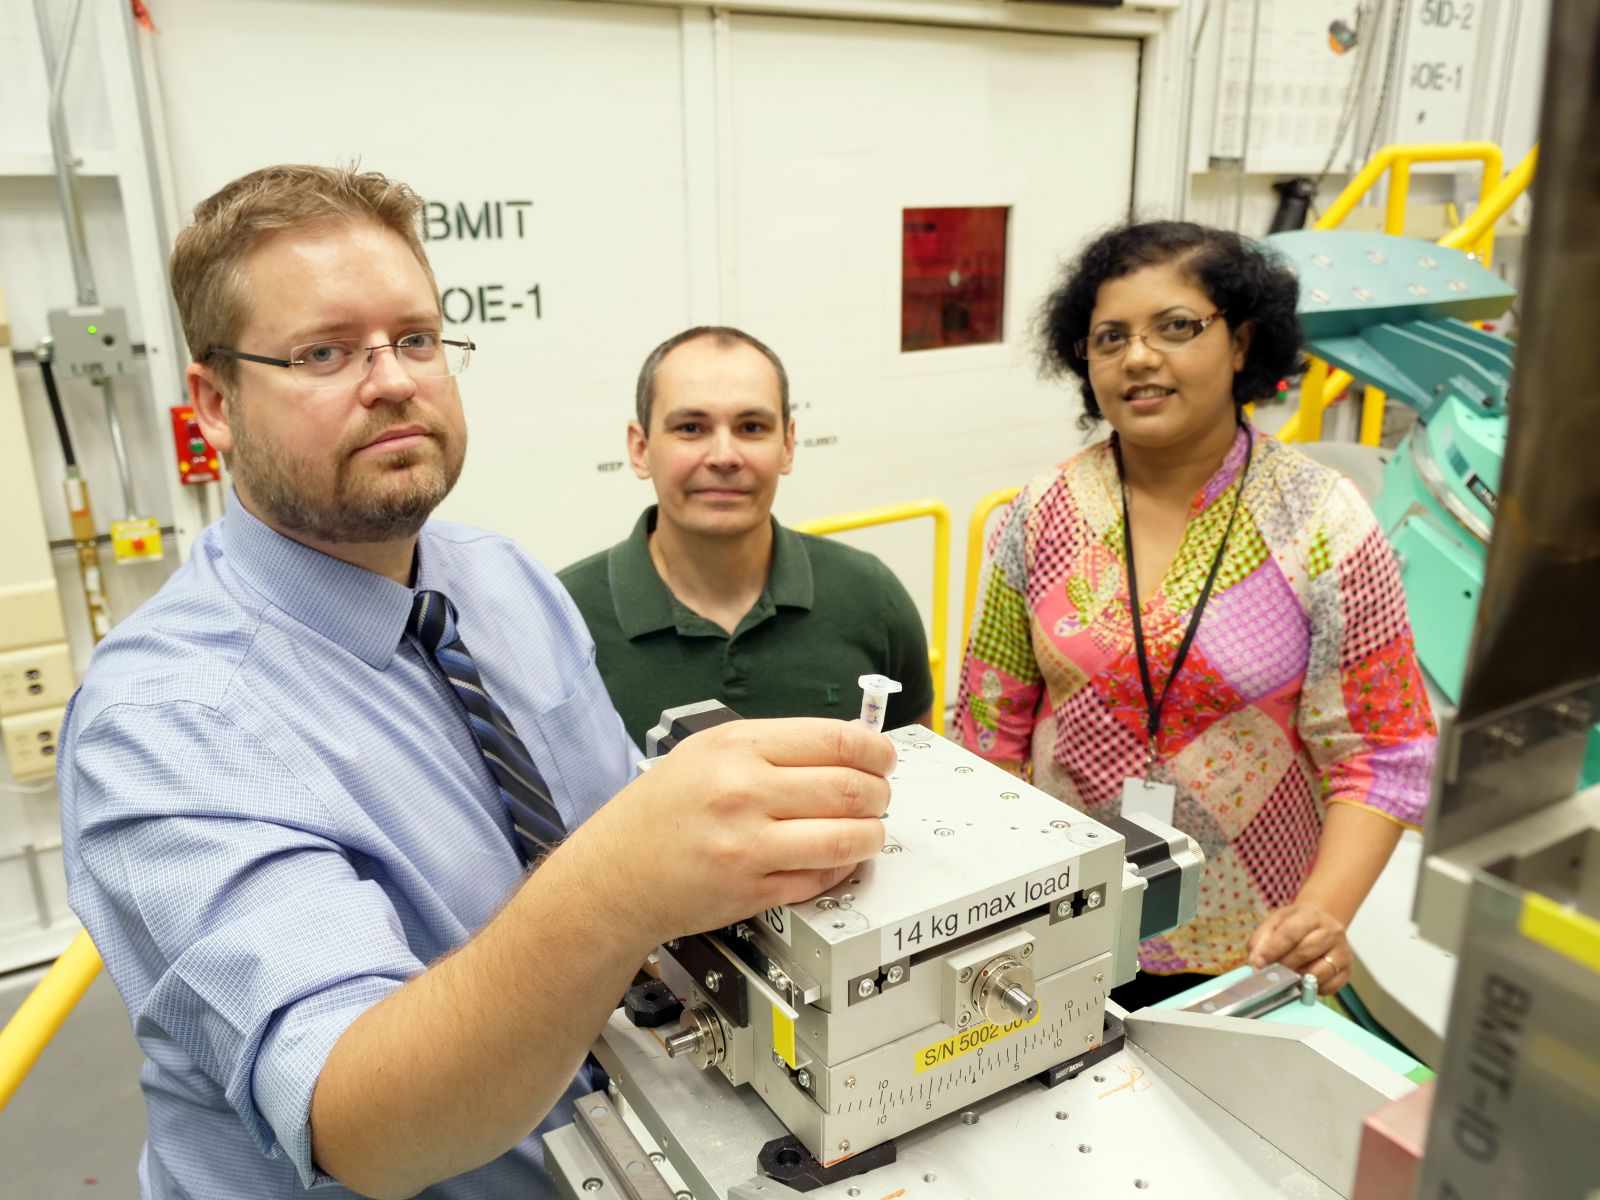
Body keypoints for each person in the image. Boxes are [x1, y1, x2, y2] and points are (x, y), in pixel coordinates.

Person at [56, 165, 894, 1200]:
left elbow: (605, 808)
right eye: (324, 351)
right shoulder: (169, 722)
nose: (395, 380)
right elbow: (361, 1126)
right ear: (215, 403)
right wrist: (617, 881)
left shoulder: (494, 577)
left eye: (414, 338)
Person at [955, 220, 1435, 1006]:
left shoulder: (1322, 521)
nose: (1138, 357)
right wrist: (993, 905)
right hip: (1060, 922)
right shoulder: (1041, 513)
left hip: (1254, 940)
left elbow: (1383, 751)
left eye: (1176, 327)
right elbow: (988, 730)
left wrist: (1322, 914)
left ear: (1243, 342)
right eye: (1109, 338)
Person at [559, 326, 934, 747]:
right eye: (690, 427)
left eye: (752, 427)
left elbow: (921, 774)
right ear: (640, 447)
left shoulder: (869, 596)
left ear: (788, 444)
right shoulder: (563, 618)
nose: (724, 456)